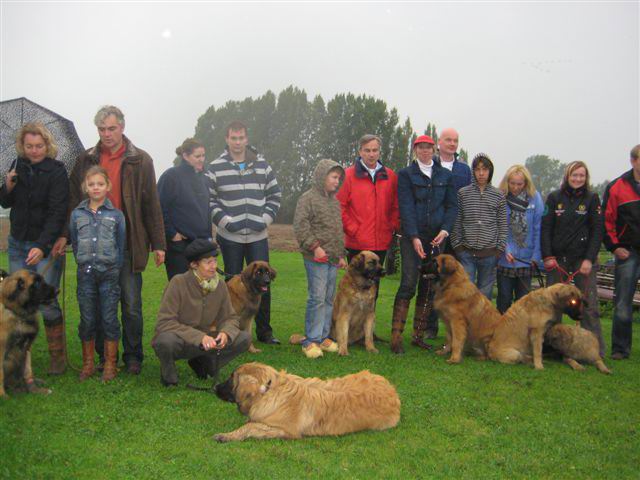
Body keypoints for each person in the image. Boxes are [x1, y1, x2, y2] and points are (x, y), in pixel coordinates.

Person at [53, 105, 166, 375]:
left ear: (122, 128)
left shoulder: (141, 160)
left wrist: (159, 244)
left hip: (128, 243)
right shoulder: (85, 160)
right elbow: (73, 201)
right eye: (102, 129)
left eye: (111, 128)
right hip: (94, 246)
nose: (106, 134)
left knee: (131, 304)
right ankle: (104, 357)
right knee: (99, 304)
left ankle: (134, 356)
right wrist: (64, 235)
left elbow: (151, 203)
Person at [0, 122, 69, 375]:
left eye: (39, 146)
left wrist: (42, 246)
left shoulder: (57, 171)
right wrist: (8, 185)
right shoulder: (16, 166)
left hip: (46, 245)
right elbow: (5, 202)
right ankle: (19, 357)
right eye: (29, 146)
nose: (34, 150)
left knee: (46, 300)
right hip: (17, 243)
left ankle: (57, 358)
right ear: (22, 145)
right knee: (17, 301)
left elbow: (58, 211)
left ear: (47, 144)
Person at [205, 121, 281, 345]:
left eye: (241, 138)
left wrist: (264, 219)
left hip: (258, 236)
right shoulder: (215, 167)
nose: (237, 142)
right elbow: (209, 200)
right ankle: (231, 332)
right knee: (232, 288)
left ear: (246, 139)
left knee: (263, 284)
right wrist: (225, 222)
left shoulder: (262, 166)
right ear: (227, 140)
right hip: (230, 237)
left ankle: (265, 332)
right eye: (233, 138)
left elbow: (275, 196)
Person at [151, 239, 250, 386]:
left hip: (206, 341)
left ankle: (205, 364)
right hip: (181, 338)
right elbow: (165, 322)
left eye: (215, 261)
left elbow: (230, 318)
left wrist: (226, 333)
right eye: (208, 262)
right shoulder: (178, 282)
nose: (214, 266)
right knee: (165, 341)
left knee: (244, 338)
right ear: (194, 265)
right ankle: (169, 375)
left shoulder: (220, 285)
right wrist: (199, 337)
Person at [391, 135, 457, 354]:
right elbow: (406, 206)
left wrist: (445, 230)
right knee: (408, 283)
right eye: (421, 148)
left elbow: (451, 206)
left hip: (436, 238)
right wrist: (413, 236)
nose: (425, 151)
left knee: (429, 287)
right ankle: (396, 336)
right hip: (413, 239)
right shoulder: (406, 175)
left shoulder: (445, 176)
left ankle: (418, 335)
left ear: (434, 149)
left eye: (429, 148)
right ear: (415, 149)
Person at [541, 161, 605, 357]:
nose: (578, 179)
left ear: (586, 178)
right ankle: (548, 347)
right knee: (552, 305)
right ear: (567, 176)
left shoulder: (592, 199)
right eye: (574, 175)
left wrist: (589, 259)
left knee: (588, 305)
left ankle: (595, 350)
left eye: (581, 176)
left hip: (582, 260)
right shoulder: (554, 198)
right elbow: (545, 229)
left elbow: (597, 231)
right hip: (557, 259)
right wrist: (547, 256)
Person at [69, 166, 126, 382]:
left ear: (107, 187)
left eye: (100, 184)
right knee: (88, 318)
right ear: (85, 187)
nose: (96, 188)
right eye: (91, 184)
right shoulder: (77, 214)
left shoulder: (116, 215)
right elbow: (74, 242)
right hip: (85, 274)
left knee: (110, 318)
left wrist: (113, 267)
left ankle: (110, 363)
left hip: (109, 274)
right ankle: (88, 364)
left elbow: (120, 244)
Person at [293, 159, 347, 359]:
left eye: (339, 178)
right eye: (334, 177)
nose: (337, 181)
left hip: (333, 258)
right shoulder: (307, 199)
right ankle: (311, 340)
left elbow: (337, 230)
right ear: (322, 176)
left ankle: (324, 337)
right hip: (316, 258)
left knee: (328, 298)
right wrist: (315, 247)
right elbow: (300, 226)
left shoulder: (334, 201)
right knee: (316, 298)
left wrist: (340, 254)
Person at [336, 134, 399, 299]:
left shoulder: (390, 176)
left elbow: (395, 206)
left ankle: (368, 325)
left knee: (373, 292)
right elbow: (340, 206)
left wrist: (390, 226)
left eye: (375, 150)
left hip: (381, 243)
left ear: (379, 152)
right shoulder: (348, 175)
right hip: (357, 243)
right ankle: (351, 325)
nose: (371, 154)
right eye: (367, 150)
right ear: (360, 152)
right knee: (355, 291)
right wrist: (352, 229)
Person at [451, 153, 507, 299]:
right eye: (477, 169)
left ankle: (482, 322)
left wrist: (499, 249)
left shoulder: (498, 195)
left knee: (484, 296)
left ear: (490, 171)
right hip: (466, 253)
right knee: (466, 294)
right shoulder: (463, 193)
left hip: (489, 254)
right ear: (473, 171)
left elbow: (502, 224)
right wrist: (458, 247)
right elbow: (457, 221)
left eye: (485, 169)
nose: (481, 173)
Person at [602, 144, 640, 360]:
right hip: (629, 252)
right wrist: (615, 246)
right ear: (633, 161)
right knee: (623, 302)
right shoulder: (618, 187)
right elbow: (607, 220)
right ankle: (620, 348)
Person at [158, 138, 211, 280]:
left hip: (201, 246)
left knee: (202, 291)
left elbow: (206, 211)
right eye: (197, 156)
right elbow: (160, 208)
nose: (201, 160)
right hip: (179, 248)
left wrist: (209, 238)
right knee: (181, 292)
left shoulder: (204, 178)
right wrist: (173, 234)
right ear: (186, 156)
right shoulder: (171, 176)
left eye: (203, 156)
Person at [496, 165, 544, 313]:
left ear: (526, 183)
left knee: (523, 304)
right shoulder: (500, 198)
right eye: (512, 183)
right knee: (504, 299)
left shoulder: (535, 198)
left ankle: (521, 335)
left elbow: (538, 228)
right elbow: (498, 226)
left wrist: (536, 255)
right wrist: (506, 248)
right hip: (506, 259)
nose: (515, 187)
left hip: (527, 260)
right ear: (507, 182)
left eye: (519, 184)